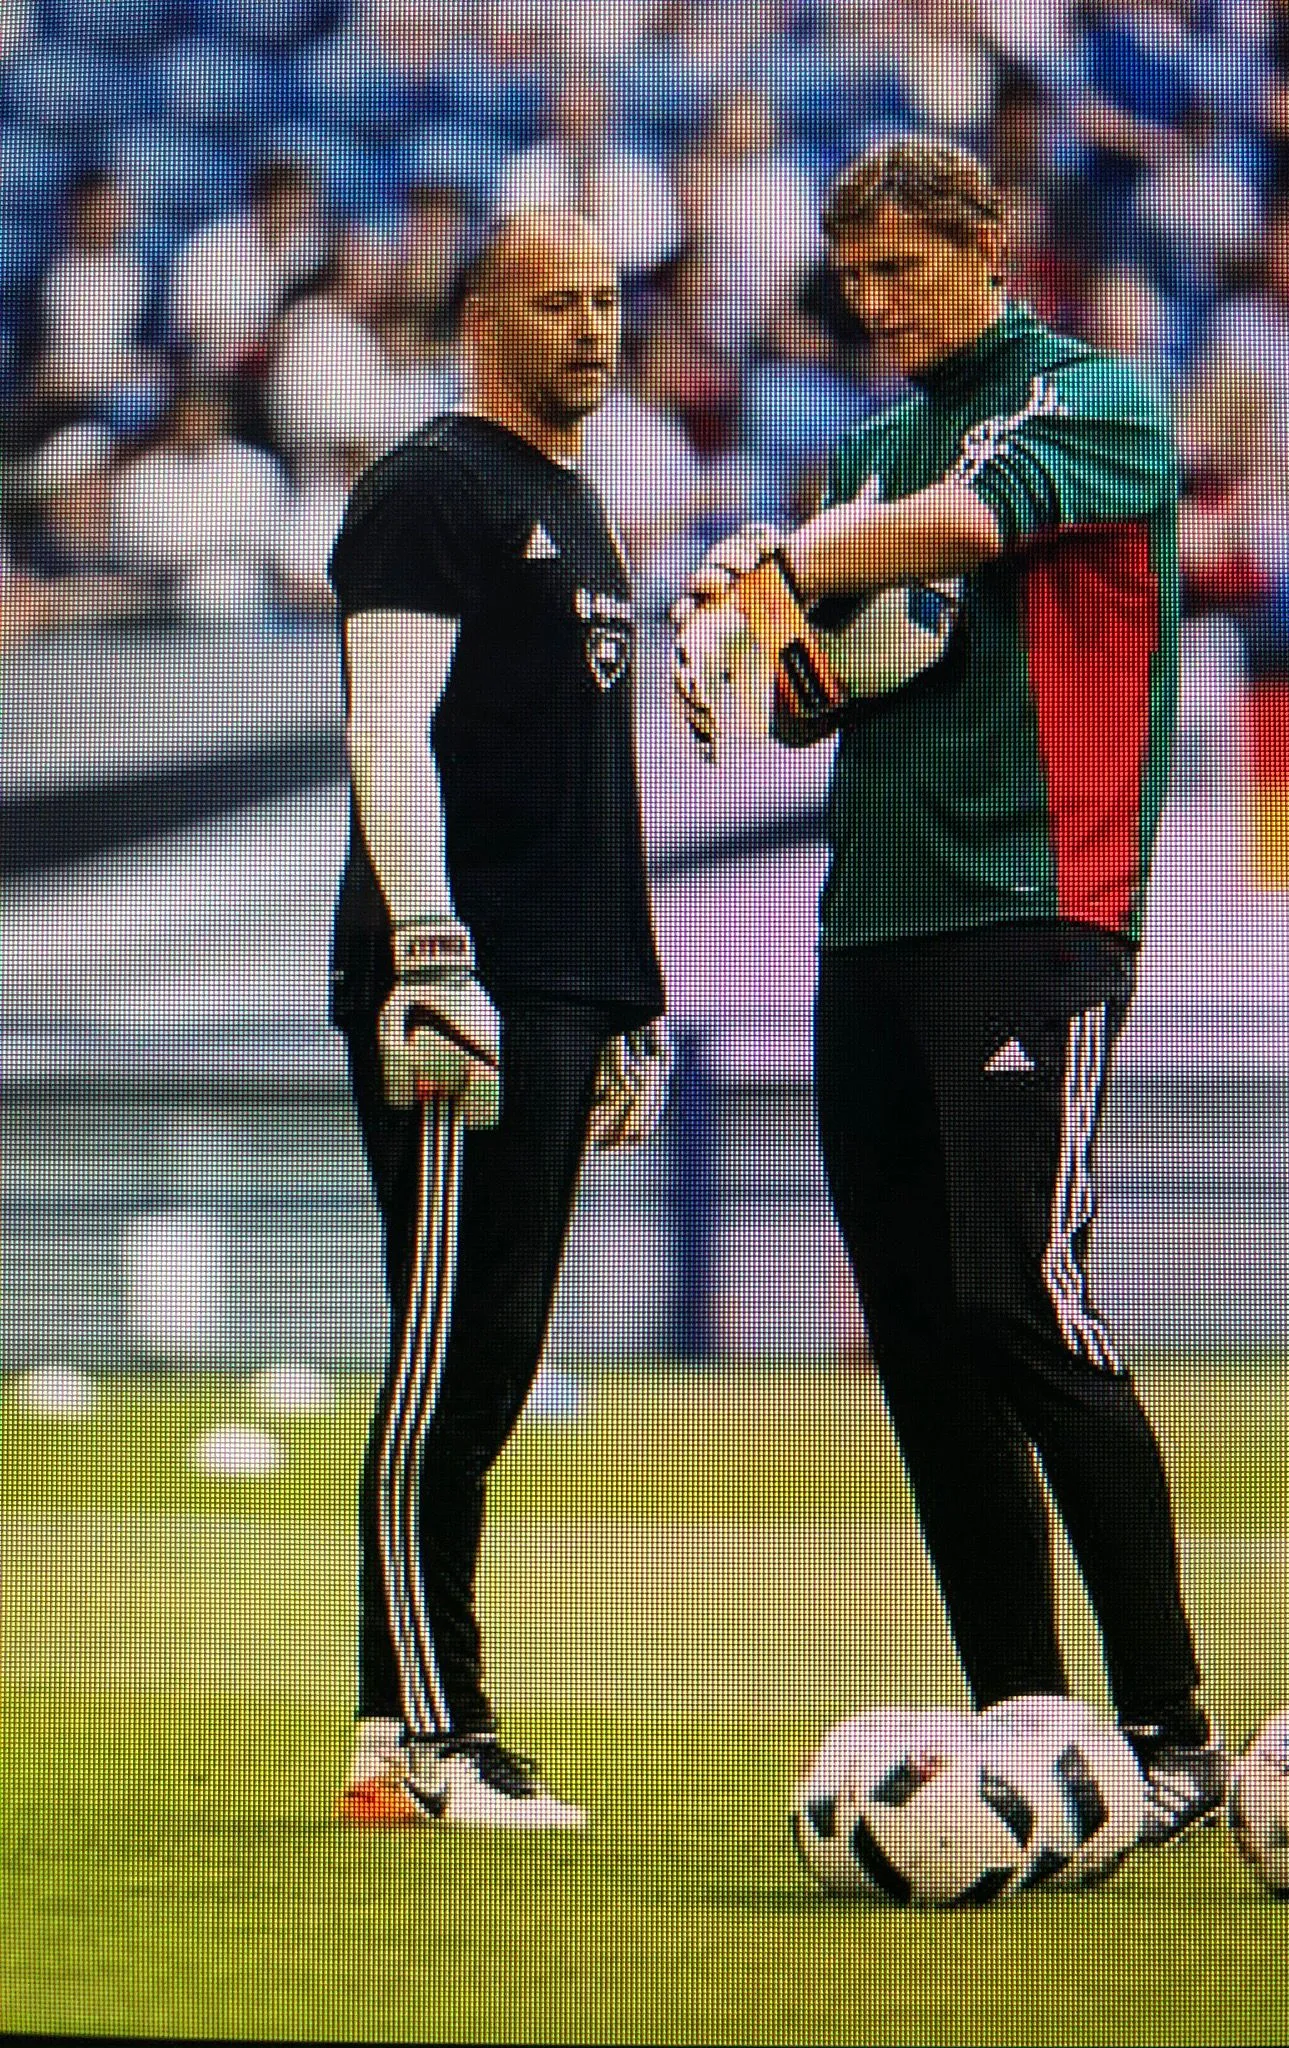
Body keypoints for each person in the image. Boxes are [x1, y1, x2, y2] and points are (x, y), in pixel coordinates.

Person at [674, 136, 1224, 1843]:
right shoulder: (864, 440)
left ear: (991, 246)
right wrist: (760, 632)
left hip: (1036, 912)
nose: (876, 304)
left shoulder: (1092, 398)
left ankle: (1175, 1732)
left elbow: (962, 529)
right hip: (874, 932)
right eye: (855, 280)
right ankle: (1030, 1728)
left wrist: (779, 555)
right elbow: (809, 700)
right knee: (917, 1340)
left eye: (901, 270)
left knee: (1022, 1300)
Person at [328, 207, 671, 1829]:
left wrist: (633, 1003)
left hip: (557, 988)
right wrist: (430, 951)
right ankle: (424, 1736)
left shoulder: (579, 503)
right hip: (458, 994)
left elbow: (590, 781)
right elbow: (385, 730)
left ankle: (403, 1732)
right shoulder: (430, 490)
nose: (593, 326)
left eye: (607, 299)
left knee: (498, 1356)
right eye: (557, 301)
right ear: (481, 317)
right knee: (446, 1362)